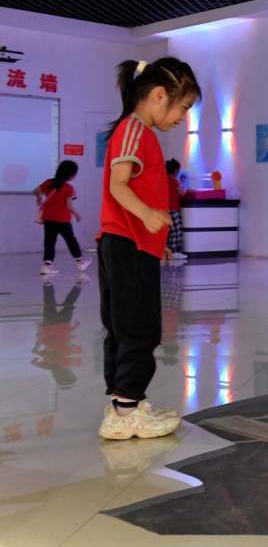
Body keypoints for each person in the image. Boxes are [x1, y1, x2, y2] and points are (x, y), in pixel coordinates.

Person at [97, 57, 201, 440]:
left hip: (132, 244)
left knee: (125, 325)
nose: (182, 118)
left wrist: (158, 242)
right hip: (126, 245)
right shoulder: (134, 130)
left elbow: (138, 189)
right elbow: (118, 185)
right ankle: (125, 412)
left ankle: (126, 403)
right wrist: (148, 215)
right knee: (138, 327)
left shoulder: (139, 133)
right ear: (159, 95)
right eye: (183, 107)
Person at [34, 160, 93, 276]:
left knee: (49, 242)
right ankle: (80, 262)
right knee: (71, 240)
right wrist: (77, 215)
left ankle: (46, 266)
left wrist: (39, 198)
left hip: (49, 219)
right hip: (63, 220)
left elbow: (36, 191)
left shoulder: (49, 183)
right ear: (71, 175)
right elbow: (69, 206)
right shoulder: (69, 188)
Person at [164, 159, 189, 262]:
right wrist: (186, 190)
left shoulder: (164, 180)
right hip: (174, 209)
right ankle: (175, 252)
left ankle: (169, 251)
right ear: (175, 171)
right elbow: (182, 193)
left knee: (169, 231)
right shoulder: (173, 181)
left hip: (166, 209)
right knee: (176, 231)